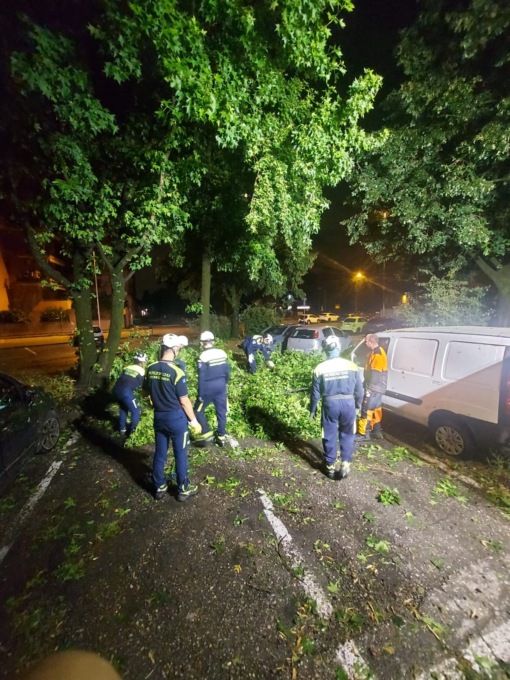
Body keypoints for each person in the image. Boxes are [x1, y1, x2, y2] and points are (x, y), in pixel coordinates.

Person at [143, 333, 201, 501]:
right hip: (176, 419)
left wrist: (157, 399)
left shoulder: (151, 368)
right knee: (180, 454)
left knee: (160, 453)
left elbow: (145, 392)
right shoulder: (177, 372)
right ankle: (183, 489)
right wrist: (194, 421)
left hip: (159, 417)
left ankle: (159, 486)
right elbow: (184, 401)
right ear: (175, 349)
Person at [310, 335, 363, 479]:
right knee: (347, 433)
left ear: (326, 349)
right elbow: (360, 389)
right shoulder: (352, 366)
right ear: (339, 347)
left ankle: (330, 466)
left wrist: (312, 409)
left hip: (330, 404)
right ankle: (345, 463)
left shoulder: (320, 368)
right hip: (348, 403)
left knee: (329, 434)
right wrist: (358, 405)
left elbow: (315, 393)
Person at [193, 331, 237, 448]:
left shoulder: (202, 356)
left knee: (197, 411)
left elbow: (201, 377)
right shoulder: (222, 353)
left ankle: (206, 432)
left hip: (207, 387)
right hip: (221, 386)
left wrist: (200, 394)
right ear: (213, 341)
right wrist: (225, 384)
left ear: (202, 343)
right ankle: (221, 436)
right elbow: (227, 371)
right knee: (221, 411)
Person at [355, 333, 388, 441]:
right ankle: (376, 431)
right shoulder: (377, 351)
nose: (365, 343)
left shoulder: (377, 355)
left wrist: (369, 389)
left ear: (371, 342)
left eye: (366, 341)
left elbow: (375, 375)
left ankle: (363, 434)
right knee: (376, 409)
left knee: (367, 409)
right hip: (379, 388)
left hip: (374, 388)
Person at [112, 351, 147, 436]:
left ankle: (122, 429)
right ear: (143, 362)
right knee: (136, 410)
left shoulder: (127, 367)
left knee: (123, 408)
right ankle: (133, 432)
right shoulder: (142, 371)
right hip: (126, 393)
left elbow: (120, 379)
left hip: (116, 390)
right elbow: (144, 387)